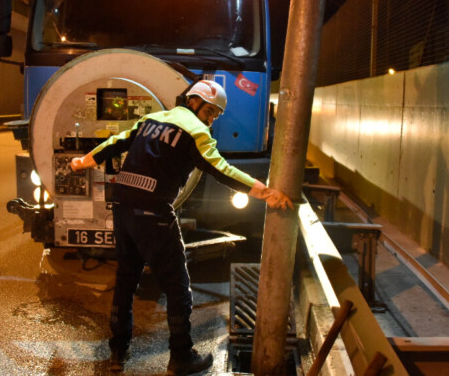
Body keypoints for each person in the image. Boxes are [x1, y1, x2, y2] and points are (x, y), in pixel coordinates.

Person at [70, 80, 293, 375]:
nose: (211, 119)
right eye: (212, 112)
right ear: (197, 103)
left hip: (122, 208)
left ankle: (117, 354)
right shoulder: (196, 132)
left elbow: (116, 142)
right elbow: (220, 169)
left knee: (125, 280)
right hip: (154, 214)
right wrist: (266, 193)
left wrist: (83, 161)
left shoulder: (151, 120)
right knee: (178, 288)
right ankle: (181, 357)